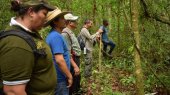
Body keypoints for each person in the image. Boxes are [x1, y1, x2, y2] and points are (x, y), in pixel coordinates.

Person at [0, 0, 57, 95]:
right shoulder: (16, 43)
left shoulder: (30, 34)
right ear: (31, 12)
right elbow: (14, 91)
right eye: (44, 13)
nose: (46, 19)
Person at [45, 8, 73, 95]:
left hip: (58, 78)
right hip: (59, 80)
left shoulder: (54, 35)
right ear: (55, 22)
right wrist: (69, 76)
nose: (65, 20)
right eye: (62, 18)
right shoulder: (55, 37)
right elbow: (59, 60)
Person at [62, 13, 81, 95]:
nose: (76, 22)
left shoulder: (70, 32)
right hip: (72, 59)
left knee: (77, 78)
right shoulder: (65, 34)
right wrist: (74, 65)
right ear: (70, 22)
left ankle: (76, 91)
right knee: (72, 78)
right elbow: (67, 52)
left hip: (75, 58)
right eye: (74, 21)